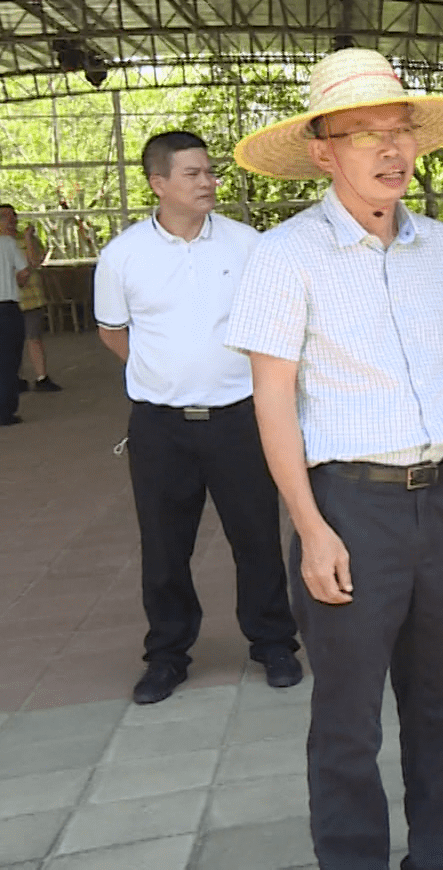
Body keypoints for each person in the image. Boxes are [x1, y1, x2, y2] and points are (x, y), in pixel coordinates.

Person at [225, 48, 443, 870]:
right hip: (348, 508)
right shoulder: (286, 256)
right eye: (364, 135)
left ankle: (437, 855)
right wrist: (310, 527)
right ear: (321, 152)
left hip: (440, 503)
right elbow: (271, 402)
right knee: (348, 718)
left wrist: (437, 401)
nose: (390, 150)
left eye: (399, 131)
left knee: (440, 702)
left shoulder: (440, 247)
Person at [92, 132, 303, 706]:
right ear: (158, 184)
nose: (207, 182)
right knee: (163, 546)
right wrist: (163, 374)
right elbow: (113, 331)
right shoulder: (123, 255)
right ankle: (166, 655)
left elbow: (279, 322)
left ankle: (273, 643)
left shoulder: (248, 245)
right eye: (192, 174)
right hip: (160, 427)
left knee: (256, 536)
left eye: (210, 172)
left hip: (240, 417)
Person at [3, 208, 58, 391]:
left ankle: (41, 377)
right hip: (7, 300)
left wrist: (28, 240)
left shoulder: (26, 239)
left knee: (34, 338)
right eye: (5, 217)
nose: (11, 221)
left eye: (13, 217)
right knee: (9, 342)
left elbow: (35, 263)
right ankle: (13, 378)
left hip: (31, 298)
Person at [0, 205, 25, 426]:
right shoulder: (8, 243)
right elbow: (23, 272)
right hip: (6, 308)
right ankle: (4, 410)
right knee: (8, 361)